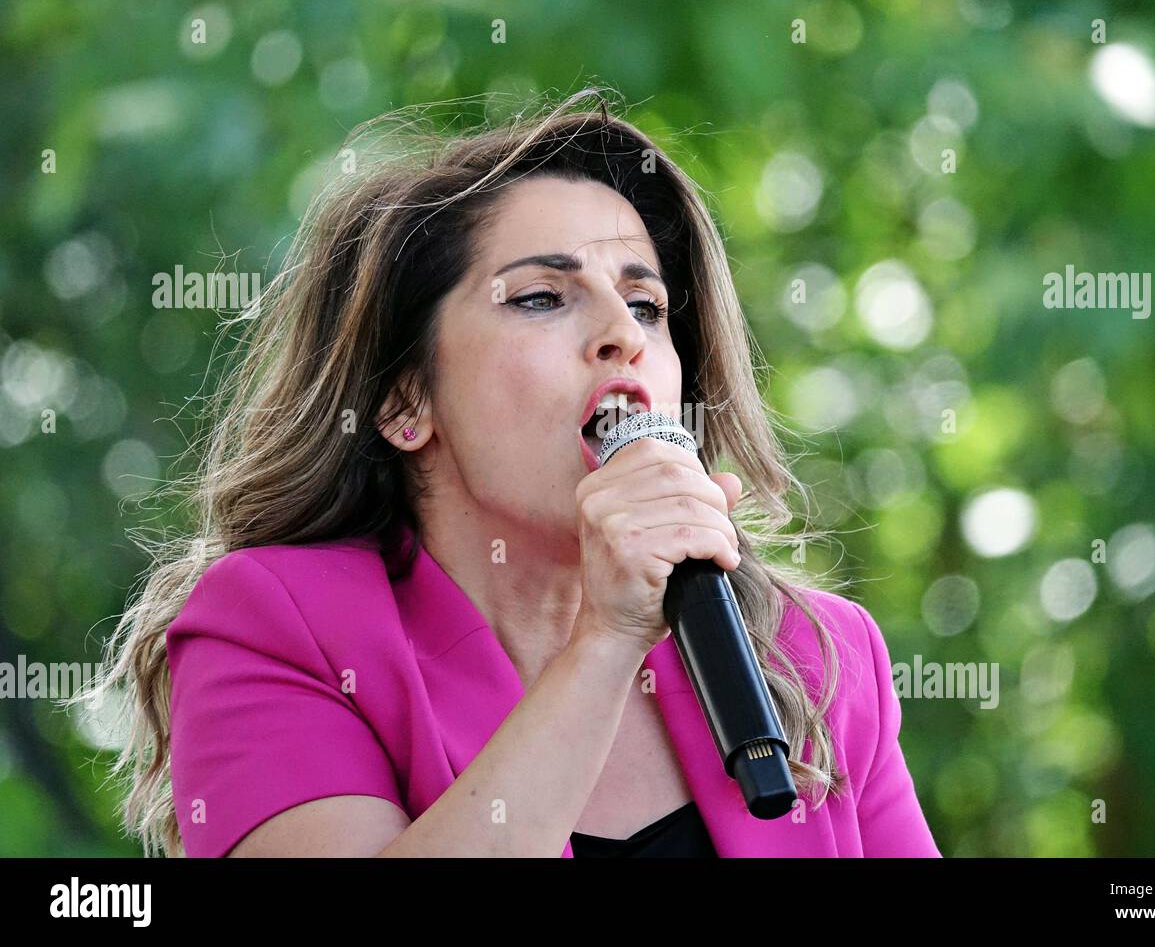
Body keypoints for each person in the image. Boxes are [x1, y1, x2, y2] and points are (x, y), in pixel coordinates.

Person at [78, 88, 941, 858]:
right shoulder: (275, 623)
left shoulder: (815, 657)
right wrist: (603, 644)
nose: (622, 334)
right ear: (404, 400)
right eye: (540, 297)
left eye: (646, 305)